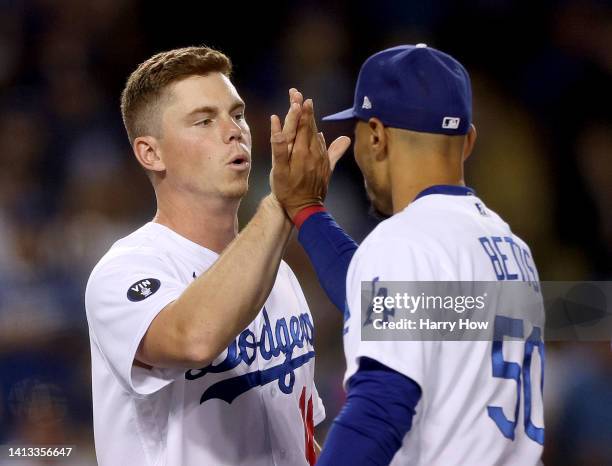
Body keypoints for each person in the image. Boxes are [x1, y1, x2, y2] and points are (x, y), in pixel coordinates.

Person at [272, 44, 545, 465]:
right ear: (468, 141)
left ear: (376, 136)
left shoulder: (404, 241)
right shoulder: (510, 248)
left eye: (360, 131)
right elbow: (387, 308)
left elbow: (378, 414)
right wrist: (306, 210)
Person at [84, 46, 348, 466]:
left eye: (237, 114)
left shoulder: (278, 274)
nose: (234, 131)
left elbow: (297, 439)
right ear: (151, 153)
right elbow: (194, 338)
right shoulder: (125, 269)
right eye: (204, 120)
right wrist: (284, 204)